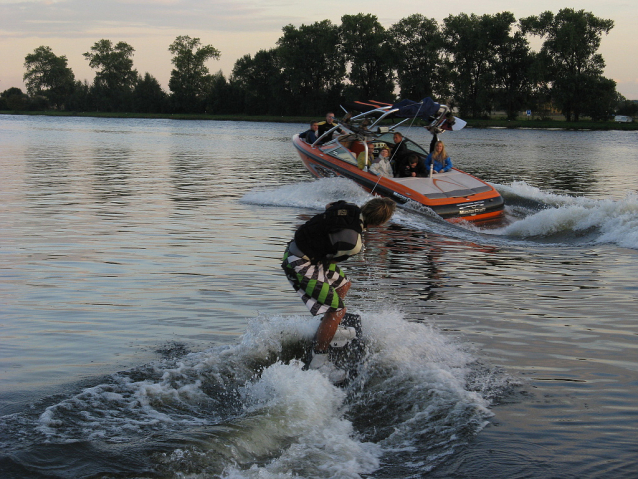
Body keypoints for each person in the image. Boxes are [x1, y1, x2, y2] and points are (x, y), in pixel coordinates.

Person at [281, 198, 396, 383]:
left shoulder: (347, 206)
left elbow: (328, 207)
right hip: (299, 262)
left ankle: (329, 328)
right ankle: (318, 360)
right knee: (337, 309)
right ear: (379, 224)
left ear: (366, 206)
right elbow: (333, 260)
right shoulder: (354, 245)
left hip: (306, 253)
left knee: (343, 285)